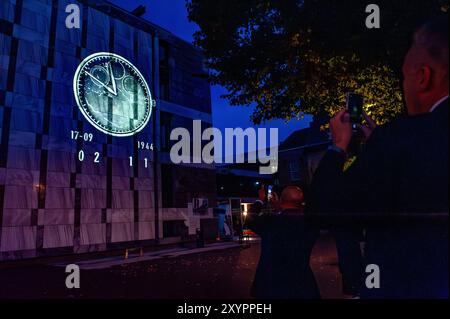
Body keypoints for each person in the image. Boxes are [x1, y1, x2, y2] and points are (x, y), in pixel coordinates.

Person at [310, 16, 449, 298]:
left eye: (404, 76)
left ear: (422, 77)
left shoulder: (401, 137)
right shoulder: (402, 142)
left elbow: (324, 209)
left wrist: (338, 146)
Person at [246, 186, 320, 299]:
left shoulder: (270, 221)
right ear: (302, 202)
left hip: (272, 282)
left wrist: (260, 200)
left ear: (281, 200)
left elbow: (250, 219)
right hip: (301, 281)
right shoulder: (310, 225)